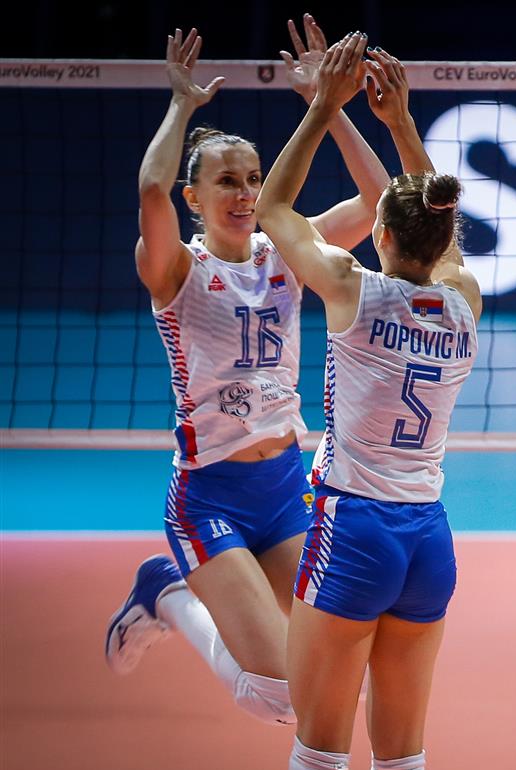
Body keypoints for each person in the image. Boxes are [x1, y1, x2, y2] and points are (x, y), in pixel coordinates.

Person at [104, 19, 389, 729]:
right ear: (194, 198)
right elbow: (150, 190)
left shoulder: (286, 252)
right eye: (226, 181)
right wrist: (181, 104)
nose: (244, 193)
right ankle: (167, 591)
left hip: (285, 488)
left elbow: (379, 203)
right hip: (211, 496)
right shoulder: (175, 268)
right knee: (280, 697)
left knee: (337, 683)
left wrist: (329, 106)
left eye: (254, 179)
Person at [255, 35, 481, 770]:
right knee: (403, 761)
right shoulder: (464, 298)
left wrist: (323, 105)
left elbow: (274, 211)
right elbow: (436, 228)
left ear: (378, 234)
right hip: (428, 536)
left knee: (319, 751)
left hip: (352, 526)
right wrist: (401, 123)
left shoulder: (353, 290)